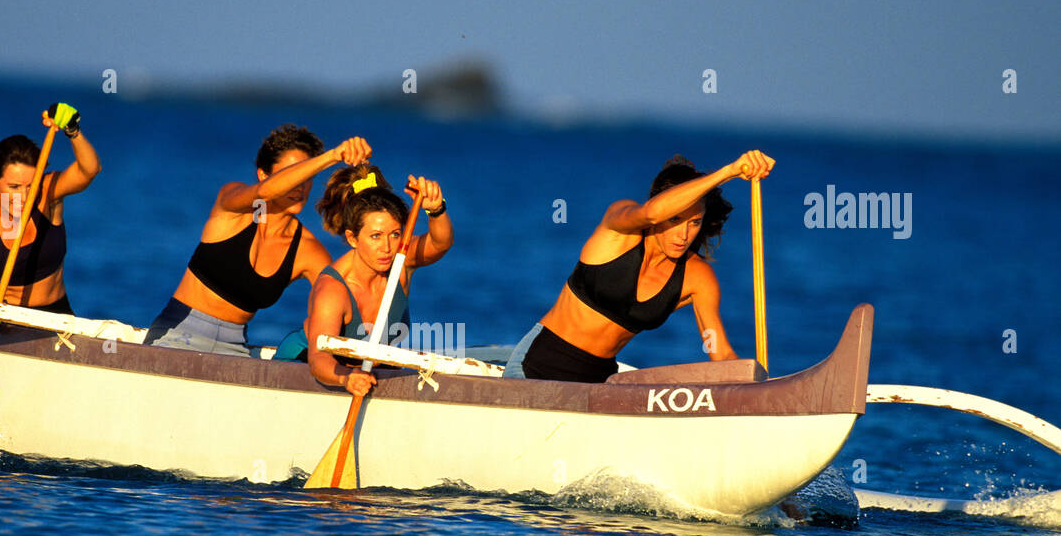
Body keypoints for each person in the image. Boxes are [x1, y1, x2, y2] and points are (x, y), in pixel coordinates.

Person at [502, 151, 774, 382]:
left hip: (596, 382)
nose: (683, 235)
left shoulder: (697, 277)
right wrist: (729, 171)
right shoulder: (619, 227)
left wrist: (761, 390)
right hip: (536, 366)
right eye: (675, 219)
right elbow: (651, 213)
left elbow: (720, 352)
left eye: (694, 222)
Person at [142, 125, 371, 356]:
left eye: (308, 176)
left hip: (234, 348)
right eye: (294, 173)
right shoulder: (232, 205)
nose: (300, 186)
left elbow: (349, 305)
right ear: (264, 175)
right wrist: (333, 156)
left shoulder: (308, 250)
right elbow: (265, 192)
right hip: (177, 334)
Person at [274, 166, 454, 399]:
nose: (387, 247)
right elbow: (319, 358)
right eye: (376, 236)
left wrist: (437, 210)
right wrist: (346, 378)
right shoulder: (332, 288)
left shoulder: (400, 262)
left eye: (395, 234)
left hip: (366, 371)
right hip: (304, 367)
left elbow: (440, 243)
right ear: (352, 238)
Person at [0, 103, 101, 327]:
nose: (24, 196)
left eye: (29, 186)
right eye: (14, 187)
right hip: (4, 321)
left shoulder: (47, 194)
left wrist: (73, 131)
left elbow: (89, 169)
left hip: (58, 317)